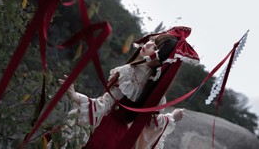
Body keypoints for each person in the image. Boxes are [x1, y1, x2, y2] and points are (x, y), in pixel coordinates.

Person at [57, 26, 199, 149]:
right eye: (152, 41)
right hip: (121, 139)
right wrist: (172, 117)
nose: (149, 44)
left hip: (102, 132)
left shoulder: (129, 72)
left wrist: (76, 97)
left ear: (161, 60)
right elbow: (150, 124)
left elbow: (105, 104)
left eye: (155, 47)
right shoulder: (157, 92)